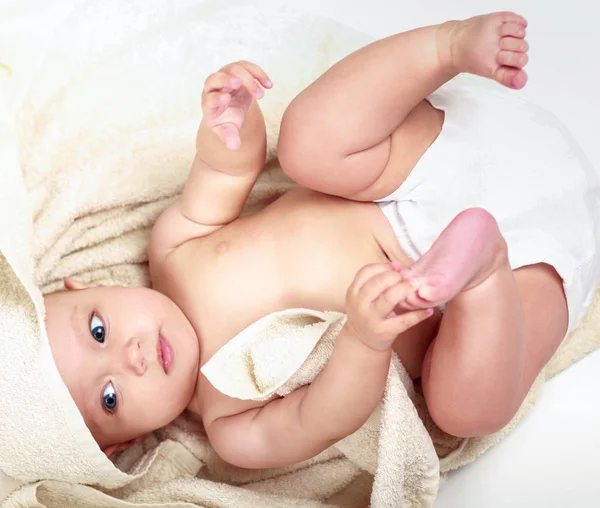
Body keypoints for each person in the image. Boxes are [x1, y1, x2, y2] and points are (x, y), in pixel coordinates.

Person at [44, 11, 600, 466]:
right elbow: (325, 415)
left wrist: (229, 128)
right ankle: (483, 266)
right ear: (116, 447)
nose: (132, 355)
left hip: (421, 170)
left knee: (305, 141)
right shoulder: (232, 427)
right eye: (110, 397)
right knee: (464, 408)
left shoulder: (173, 248)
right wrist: (361, 339)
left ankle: (444, 46)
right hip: (472, 296)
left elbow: (228, 174)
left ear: (88, 283)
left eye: (98, 330)